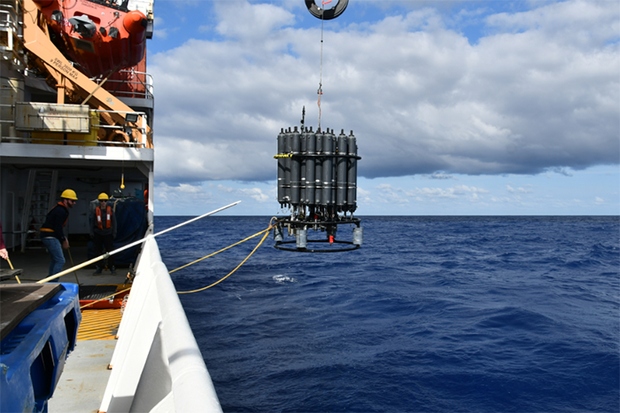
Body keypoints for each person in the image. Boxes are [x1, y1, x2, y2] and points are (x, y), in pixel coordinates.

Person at [40, 189, 77, 276]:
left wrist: (63, 238)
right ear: (65, 200)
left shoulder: (59, 209)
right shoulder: (61, 211)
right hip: (50, 236)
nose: (74, 203)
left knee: (55, 259)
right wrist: (63, 240)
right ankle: (53, 282)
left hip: (47, 235)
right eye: (72, 201)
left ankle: (51, 279)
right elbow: (58, 227)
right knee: (60, 260)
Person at [91, 192, 117, 275]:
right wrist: (91, 232)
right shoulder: (95, 211)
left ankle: (112, 267)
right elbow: (92, 222)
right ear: (99, 202)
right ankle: (99, 267)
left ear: (107, 202)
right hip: (98, 233)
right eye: (101, 201)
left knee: (110, 251)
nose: (103, 202)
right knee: (98, 251)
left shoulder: (110, 210)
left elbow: (114, 222)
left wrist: (114, 232)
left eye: (105, 201)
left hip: (108, 233)